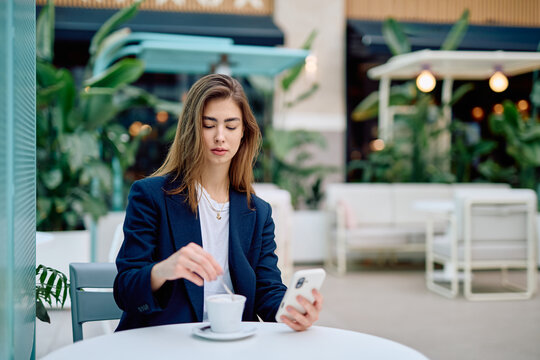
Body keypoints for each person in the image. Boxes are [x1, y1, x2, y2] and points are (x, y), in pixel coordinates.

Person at [113, 74, 323, 332]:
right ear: (191, 129)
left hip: (232, 344)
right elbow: (125, 290)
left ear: (244, 133)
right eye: (209, 125)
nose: (220, 136)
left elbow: (267, 291)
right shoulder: (150, 196)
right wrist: (163, 270)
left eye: (231, 126)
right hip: (164, 345)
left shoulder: (258, 213)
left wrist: (292, 310)